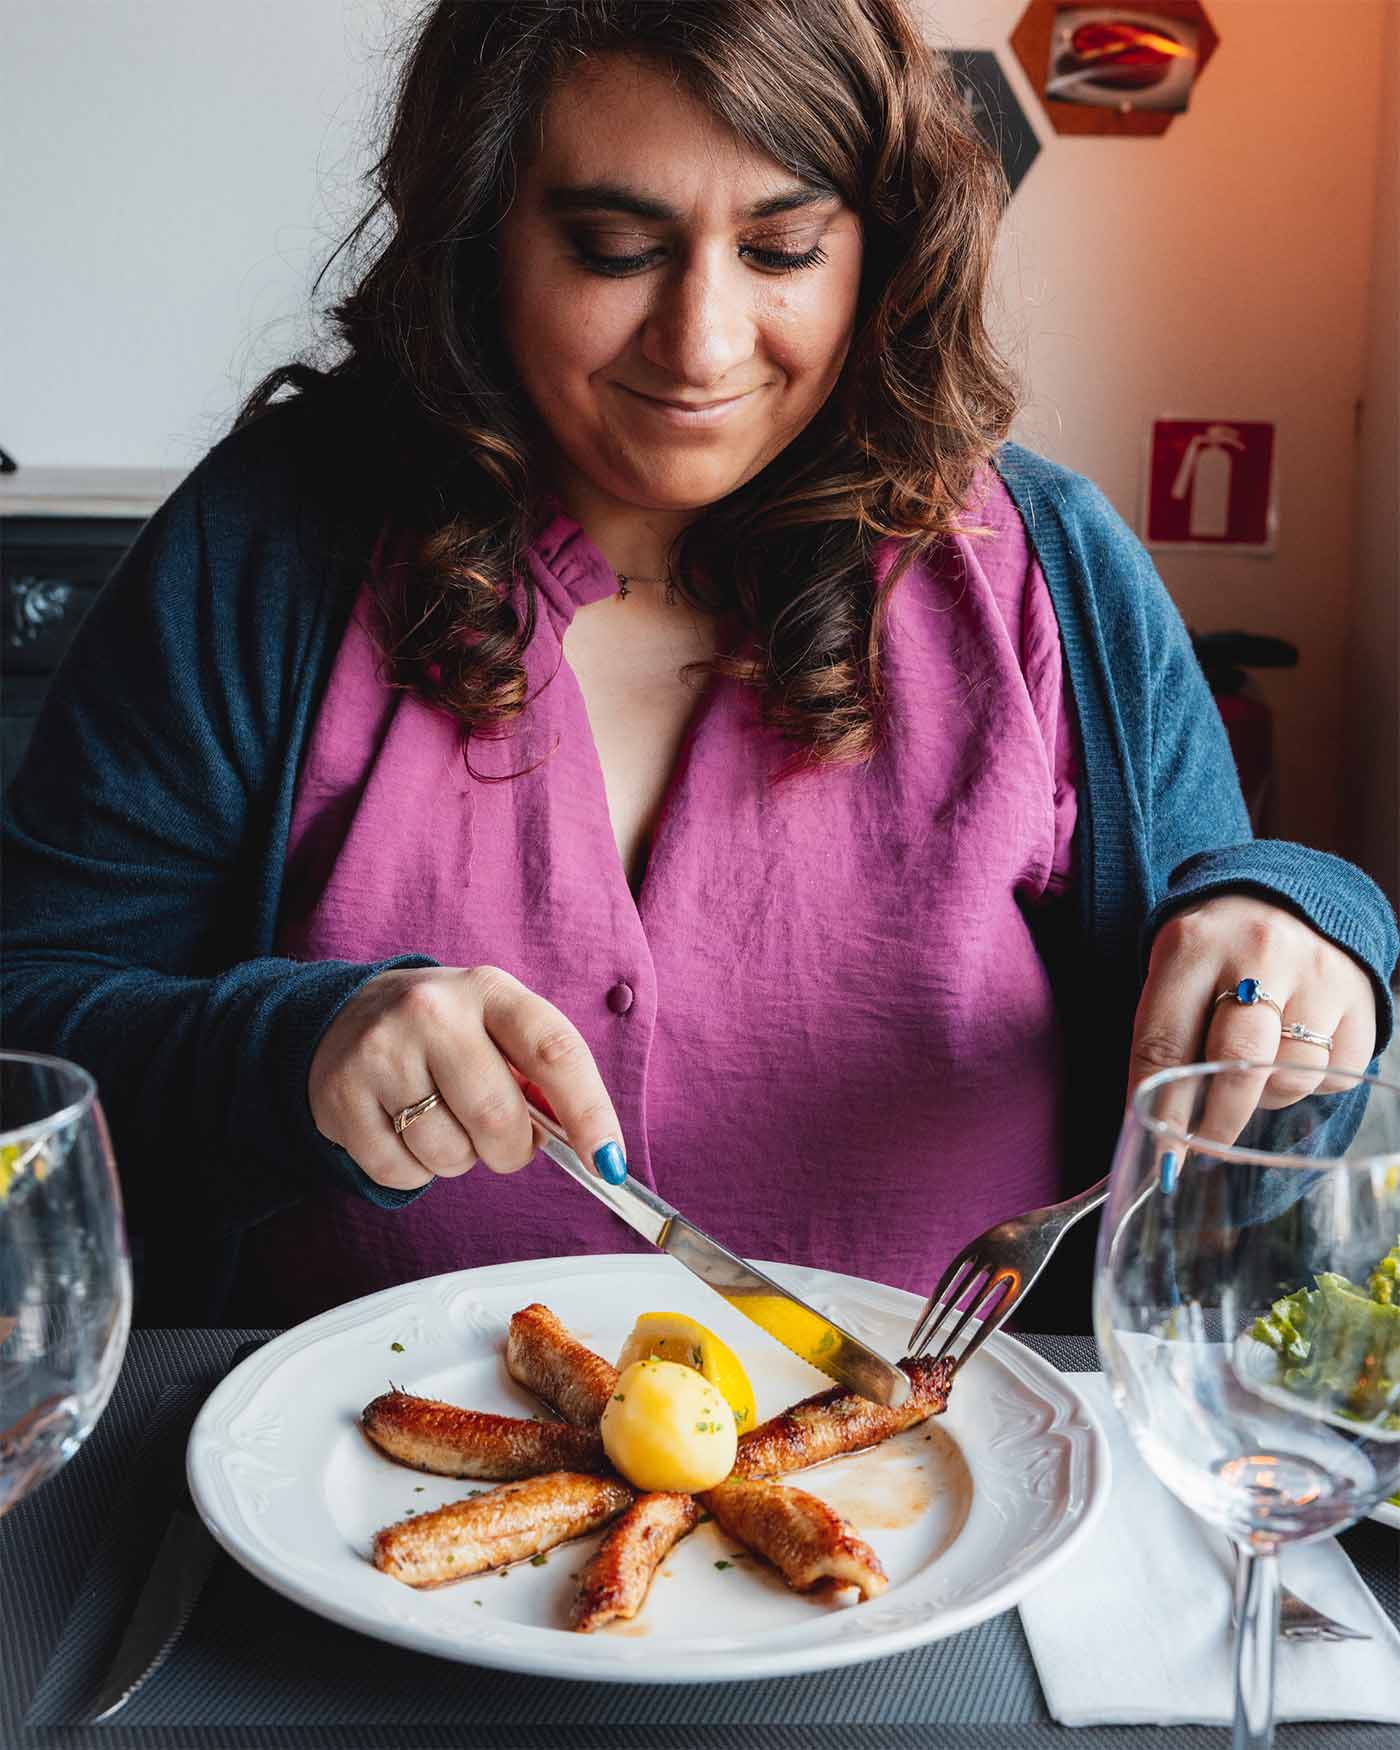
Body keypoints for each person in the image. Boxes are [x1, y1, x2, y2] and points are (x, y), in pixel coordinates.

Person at [4, 0, 1395, 1330]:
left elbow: (1246, 1057)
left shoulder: (1045, 573)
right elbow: (31, 1037)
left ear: (881, 247)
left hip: (951, 1511)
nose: (703, 345)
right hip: (350, 1510)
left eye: (784, 252)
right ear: (480, 235)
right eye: (614, 247)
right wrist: (290, 1053)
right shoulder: (265, 551)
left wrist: (1311, 931)